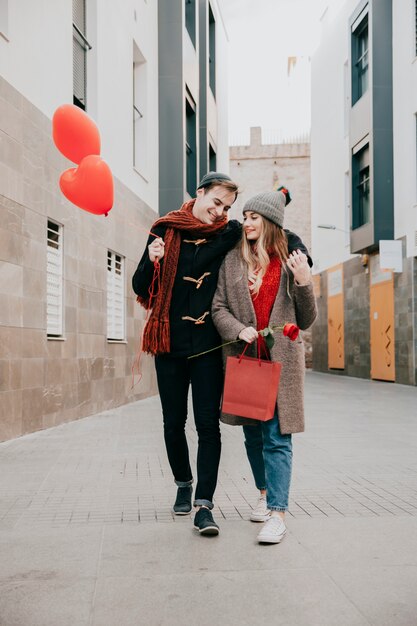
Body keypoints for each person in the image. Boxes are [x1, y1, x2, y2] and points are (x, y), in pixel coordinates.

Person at [132, 174, 312, 537]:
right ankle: (185, 482)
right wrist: (153, 262)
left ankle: (207, 505)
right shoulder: (164, 230)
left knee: (216, 427)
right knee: (177, 423)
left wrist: (302, 259)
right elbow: (141, 287)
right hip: (171, 343)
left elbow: (278, 233)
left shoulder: (228, 234)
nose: (222, 213)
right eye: (218, 204)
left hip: (210, 349)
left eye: (228, 208)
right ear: (199, 193)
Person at [211, 189, 317, 544]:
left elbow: (306, 319)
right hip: (247, 361)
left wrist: (303, 281)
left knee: (277, 437)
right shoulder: (232, 260)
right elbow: (218, 308)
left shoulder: (291, 260)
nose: (247, 222)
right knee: (252, 435)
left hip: (281, 363)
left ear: (270, 221)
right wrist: (238, 329)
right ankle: (262, 492)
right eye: (246, 216)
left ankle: (278, 512)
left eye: (254, 216)